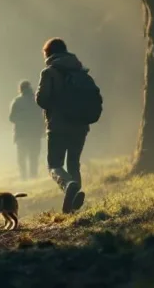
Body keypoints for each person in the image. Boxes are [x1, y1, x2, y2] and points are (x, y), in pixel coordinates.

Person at [35, 38, 94, 213]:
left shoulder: (49, 72)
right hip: (80, 125)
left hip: (58, 126)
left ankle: (69, 185)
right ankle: (73, 205)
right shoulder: (80, 70)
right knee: (74, 163)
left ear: (48, 53)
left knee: (54, 165)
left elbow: (42, 100)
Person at [9, 81, 44, 180]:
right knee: (34, 157)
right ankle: (33, 176)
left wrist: (21, 120)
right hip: (35, 134)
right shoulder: (37, 100)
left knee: (22, 158)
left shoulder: (17, 101)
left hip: (21, 135)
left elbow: (11, 118)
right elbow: (42, 116)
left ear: (20, 89)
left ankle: (23, 177)